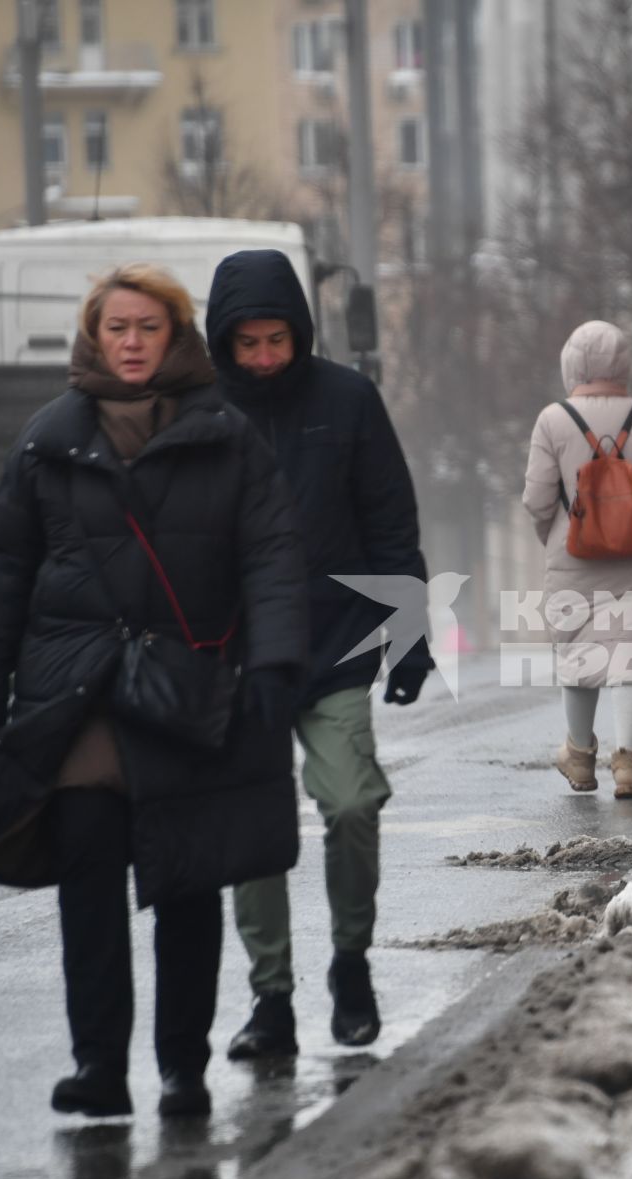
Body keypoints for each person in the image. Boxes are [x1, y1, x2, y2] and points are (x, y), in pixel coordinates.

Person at [0, 264, 308, 1119]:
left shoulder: (225, 434)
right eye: (118, 328)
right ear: (94, 335)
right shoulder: (49, 438)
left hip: (185, 692)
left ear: (176, 334)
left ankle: (182, 1067)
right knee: (88, 884)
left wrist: (275, 665)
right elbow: (3, 567)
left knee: (187, 882)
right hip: (76, 697)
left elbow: (270, 555)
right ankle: (99, 1067)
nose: (134, 343)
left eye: (150, 327)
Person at [202, 249, 432, 1061]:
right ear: (222, 342)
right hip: (235, 661)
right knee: (255, 834)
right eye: (248, 344)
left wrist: (407, 640)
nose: (265, 358)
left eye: (277, 340)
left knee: (350, 805)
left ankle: (351, 963)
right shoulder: (199, 414)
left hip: (335, 644)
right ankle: (271, 1000)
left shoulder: (348, 400)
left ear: (300, 331)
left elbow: (389, 522)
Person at [523, 321, 632, 799]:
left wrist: (555, 537)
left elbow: (536, 499)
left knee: (578, 653)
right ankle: (628, 764)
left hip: (571, 558)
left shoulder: (552, 420)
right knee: (631, 658)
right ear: (623, 364)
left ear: (570, 365)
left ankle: (578, 756)